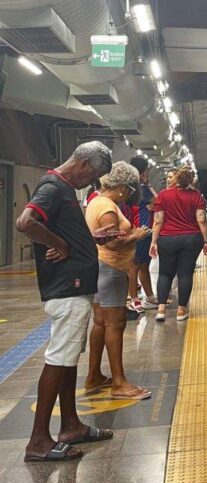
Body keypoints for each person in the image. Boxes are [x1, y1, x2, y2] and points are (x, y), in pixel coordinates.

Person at [15, 141, 115, 462]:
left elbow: (59, 228)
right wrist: (61, 244)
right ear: (84, 164)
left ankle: (70, 426)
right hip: (66, 289)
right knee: (59, 359)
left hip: (74, 289)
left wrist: (87, 239)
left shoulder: (65, 190)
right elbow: (26, 222)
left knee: (68, 358)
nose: (92, 182)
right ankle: (39, 441)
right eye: (94, 175)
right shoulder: (54, 187)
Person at [84, 161, 152, 399]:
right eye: (130, 191)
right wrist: (136, 235)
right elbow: (111, 242)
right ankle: (119, 383)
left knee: (101, 322)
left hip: (100, 267)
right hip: (110, 269)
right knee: (116, 324)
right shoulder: (108, 208)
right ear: (123, 187)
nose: (129, 197)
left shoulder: (96, 201)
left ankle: (93, 376)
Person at [150, 166, 207, 322]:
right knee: (185, 274)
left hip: (167, 239)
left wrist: (153, 242)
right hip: (191, 239)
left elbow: (158, 220)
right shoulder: (197, 196)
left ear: (176, 179)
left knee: (164, 273)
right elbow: (201, 220)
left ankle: (161, 310)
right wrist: (206, 241)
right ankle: (181, 311)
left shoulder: (163, 195)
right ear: (190, 180)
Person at [127, 156, 159, 313]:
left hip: (145, 232)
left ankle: (150, 296)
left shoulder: (133, 187)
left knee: (144, 265)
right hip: (138, 232)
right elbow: (160, 200)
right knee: (134, 266)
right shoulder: (141, 187)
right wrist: (148, 184)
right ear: (144, 170)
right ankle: (134, 299)